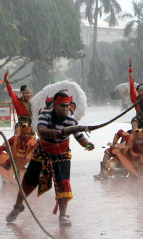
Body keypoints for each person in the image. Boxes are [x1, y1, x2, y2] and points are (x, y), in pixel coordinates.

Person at [6, 90, 94, 227]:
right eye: (62, 106)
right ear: (54, 105)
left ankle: (63, 214)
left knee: (64, 184)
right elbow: (41, 130)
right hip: (42, 154)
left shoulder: (71, 121)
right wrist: (59, 133)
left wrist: (88, 144)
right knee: (28, 182)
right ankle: (18, 206)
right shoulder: (45, 115)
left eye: (67, 106)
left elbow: (81, 138)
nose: (65, 109)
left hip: (62, 156)